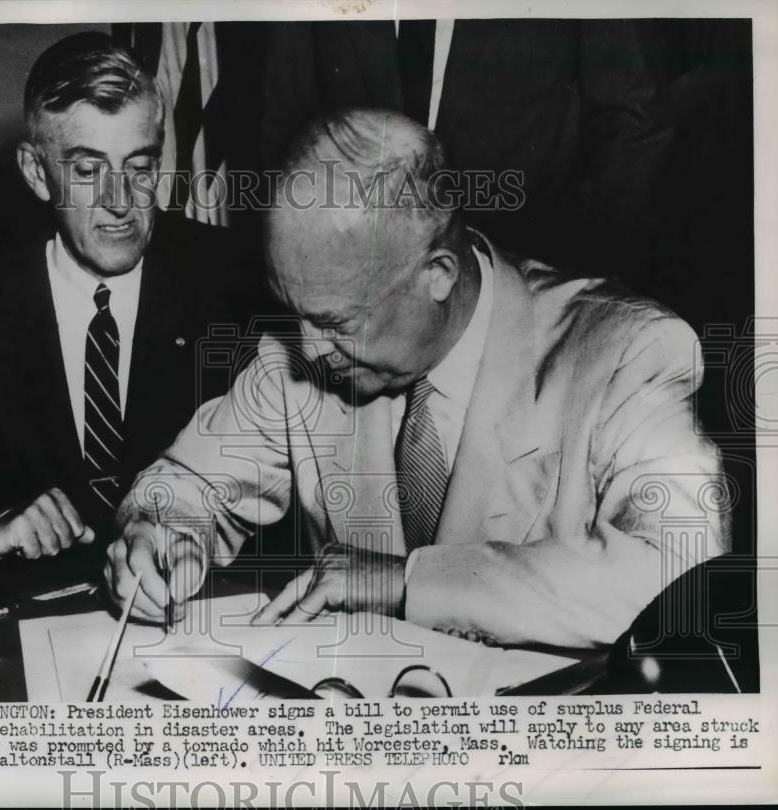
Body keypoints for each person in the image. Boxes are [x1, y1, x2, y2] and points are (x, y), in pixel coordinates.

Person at [105, 109, 728, 649]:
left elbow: (684, 574)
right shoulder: (298, 349)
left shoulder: (630, 352)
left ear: (438, 273)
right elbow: (186, 483)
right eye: (294, 311)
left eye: (335, 320)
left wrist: (408, 583)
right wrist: (161, 536)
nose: (308, 349)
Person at [0, 32, 262, 560]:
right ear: (36, 173)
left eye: (140, 167)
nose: (121, 201)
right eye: (89, 171)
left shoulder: (239, 287)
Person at [260, 20, 671, 280]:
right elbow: (284, 130)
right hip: (363, 294)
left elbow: (634, 121)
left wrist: (573, 277)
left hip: (527, 282)